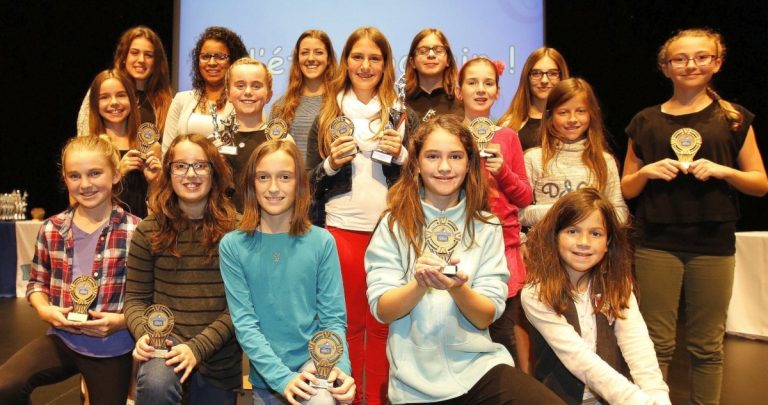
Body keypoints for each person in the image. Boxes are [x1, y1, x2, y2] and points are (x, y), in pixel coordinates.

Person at [365, 115, 563, 404]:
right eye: (432, 156)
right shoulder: (394, 225)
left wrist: (458, 288)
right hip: (415, 386)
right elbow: (383, 310)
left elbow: (486, 314)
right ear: (417, 164)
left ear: (469, 164)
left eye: (455, 156)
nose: (444, 167)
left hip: (479, 370)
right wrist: (419, 285)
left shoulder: (487, 225)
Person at [621, 28, 768, 405]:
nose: (691, 65)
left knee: (707, 345)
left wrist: (724, 172)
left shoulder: (733, 118)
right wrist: (647, 172)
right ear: (665, 67)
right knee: (656, 343)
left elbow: (760, 183)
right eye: (680, 59)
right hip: (656, 243)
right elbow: (626, 188)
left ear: (717, 63)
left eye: (701, 57)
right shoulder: (644, 121)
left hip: (713, 243)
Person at [305, 26, 419, 405]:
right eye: (358, 57)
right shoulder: (327, 113)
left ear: (386, 64)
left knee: (386, 325)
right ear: (346, 61)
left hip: (392, 233)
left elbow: (427, 177)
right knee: (348, 325)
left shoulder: (403, 115)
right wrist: (330, 165)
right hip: (340, 231)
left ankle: (378, 400)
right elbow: (306, 182)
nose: (365, 65)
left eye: (375, 58)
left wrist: (403, 157)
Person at [0, 135, 139, 404]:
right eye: (75, 176)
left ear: (114, 175)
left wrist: (121, 321)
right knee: (5, 386)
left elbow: (148, 298)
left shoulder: (136, 231)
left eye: (95, 173)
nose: (85, 184)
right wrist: (44, 309)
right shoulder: (52, 229)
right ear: (65, 180)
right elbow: (37, 283)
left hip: (112, 346)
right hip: (63, 339)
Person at [220, 140, 356, 405]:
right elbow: (245, 324)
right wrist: (282, 379)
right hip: (267, 378)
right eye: (263, 177)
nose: (273, 188)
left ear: (299, 184)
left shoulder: (321, 241)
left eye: (285, 177)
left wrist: (340, 370)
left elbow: (333, 319)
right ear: (251, 184)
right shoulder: (234, 246)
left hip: (314, 367)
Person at [522, 188, 671, 405]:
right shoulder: (536, 294)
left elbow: (638, 347)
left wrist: (658, 397)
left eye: (596, 233)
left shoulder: (618, 283)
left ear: (608, 242)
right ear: (555, 236)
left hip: (614, 399)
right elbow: (579, 359)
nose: (584, 242)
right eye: (572, 231)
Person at [125, 134, 242, 404]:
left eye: (200, 165)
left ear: (215, 171)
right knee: (155, 384)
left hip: (218, 357)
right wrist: (144, 333)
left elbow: (241, 308)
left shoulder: (238, 232)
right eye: (180, 166)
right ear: (168, 172)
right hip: (163, 348)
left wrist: (196, 348)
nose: (191, 174)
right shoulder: (148, 230)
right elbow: (135, 300)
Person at [455, 57, 533, 370]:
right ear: (458, 91)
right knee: (461, 330)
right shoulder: (448, 135)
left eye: (488, 83)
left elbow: (525, 196)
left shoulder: (508, 137)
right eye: (472, 82)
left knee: (501, 332)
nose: (481, 89)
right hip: (460, 247)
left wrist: (503, 173)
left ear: (498, 92)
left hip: (503, 249)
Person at [520, 78, 628, 227]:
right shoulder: (533, 158)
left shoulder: (605, 160)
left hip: (590, 247)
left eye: (581, 111)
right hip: (545, 247)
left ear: (591, 114)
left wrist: (591, 216)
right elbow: (519, 213)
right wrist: (565, 211)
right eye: (563, 112)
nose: (572, 119)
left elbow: (620, 212)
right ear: (550, 116)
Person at [86, 69, 162, 218]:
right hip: (101, 227)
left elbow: (159, 203)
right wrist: (117, 174)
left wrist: (154, 182)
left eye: (121, 95)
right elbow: (78, 199)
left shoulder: (150, 145)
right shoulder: (89, 148)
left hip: (141, 229)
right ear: (95, 103)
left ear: (132, 99)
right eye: (104, 97)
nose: (114, 103)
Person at [223, 57, 294, 212]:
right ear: (228, 94)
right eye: (240, 85)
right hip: (225, 228)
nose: (248, 92)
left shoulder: (282, 141)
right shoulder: (215, 142)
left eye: (256, 86)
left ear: (269, 95)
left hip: (269, 226)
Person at [162, 26, 248, 152]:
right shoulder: (181, 100)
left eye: (220, 56)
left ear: (233, 60)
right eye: (205, 56)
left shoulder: (246, 100)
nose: (212, 62)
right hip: (185, 170)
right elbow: (167, 151)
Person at [77, 25, 173, 136]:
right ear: (123, 57)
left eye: (148, 55)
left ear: (156, 62)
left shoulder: (166, 101)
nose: (141, 60)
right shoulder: (102, 88)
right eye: (134, 53)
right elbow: (85, 134)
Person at [270, 30, 337, 156]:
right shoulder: (280, 106)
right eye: (305, 53)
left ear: (328, 59)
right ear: (297, 59)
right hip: (291, 175)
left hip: (329, 175)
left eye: (318, 52)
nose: (311, 58)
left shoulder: (341, 102)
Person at [498, 48, 570, 151]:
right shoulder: (508, 125)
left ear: (561, 76)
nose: (544, 80)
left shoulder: (575, 122)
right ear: (527, 77)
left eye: (552, 73)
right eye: (536, 73)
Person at [404, 28, 462, 120]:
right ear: (412, 62)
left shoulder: (462, 103)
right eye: (423, 51)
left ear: (448, 60)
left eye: (438, 51)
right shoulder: (400, 104)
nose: (431, 55)